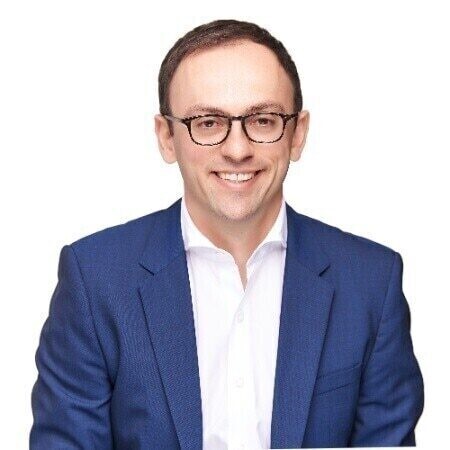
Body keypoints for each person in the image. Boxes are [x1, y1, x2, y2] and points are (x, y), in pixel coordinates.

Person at [30, 19, 424, 449]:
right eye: (208, 123)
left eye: (263, 120)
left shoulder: (372, 283)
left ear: (297, 134)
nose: (237, 150)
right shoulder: (95, 281)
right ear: (167, 137)